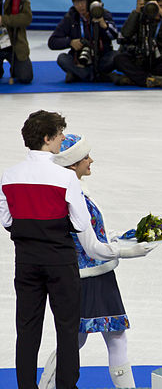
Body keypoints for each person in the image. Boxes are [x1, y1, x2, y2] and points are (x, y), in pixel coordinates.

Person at [38, 134, 157, 389]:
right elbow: (90, 247)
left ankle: (46, 385)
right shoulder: (75, 195)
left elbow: (91, 234)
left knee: (81, 338)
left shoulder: (75, 188)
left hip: (87, 275)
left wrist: (122, 237)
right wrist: (128, 252)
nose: (91, 160)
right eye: (85, 157)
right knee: (109, 337)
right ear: (72, 164)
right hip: (90, 276)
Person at [0, 111, 90, 389]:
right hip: (60, 261)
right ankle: (66, 385)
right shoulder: (65, 178)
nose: (64, 137)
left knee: (27, 328)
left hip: (26, 262)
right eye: (60, 133)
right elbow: (80, 222)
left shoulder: (9, 175)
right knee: (66, 327)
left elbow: (6, 220)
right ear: (48, 138)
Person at [114, 0, 162, 88]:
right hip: (141, 59)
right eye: (154, 6)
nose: (156, 9)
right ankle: (151, 80)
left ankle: (136, 78)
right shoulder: (141, 14)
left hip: (161, 60)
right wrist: (136, 12)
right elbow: (125, 34)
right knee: (118, 59)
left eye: (161, 6)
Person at [48, 0, 119, 83]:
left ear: (90, 1)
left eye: (83, 2)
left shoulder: (101, 13)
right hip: (79, 60)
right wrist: (70, 42)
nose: (80, 6)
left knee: (116, 56)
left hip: (101, 57)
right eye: (77, 3)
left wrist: (103, 24)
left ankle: (79, 75)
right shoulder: (71, 17)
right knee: (62, 58)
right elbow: (52, 42)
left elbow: (114, 35)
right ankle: (100, 76)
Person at [0, 0, 33, 84]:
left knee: (26, 77)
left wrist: (3, 20)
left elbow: (27, 18)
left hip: (15, 44)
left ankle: (15, 68)